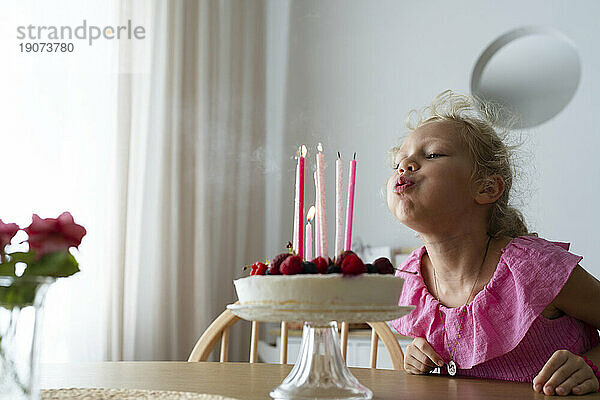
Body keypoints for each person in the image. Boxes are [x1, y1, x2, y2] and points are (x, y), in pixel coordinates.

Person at [388, 90, 600, 396]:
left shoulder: (533, 269)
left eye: (433, 154)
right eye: (398, 161)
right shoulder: (409, 280)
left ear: (487, 188)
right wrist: (414, 359)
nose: (405, 164)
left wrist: (592, 366)